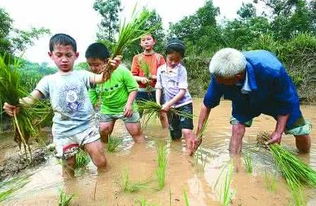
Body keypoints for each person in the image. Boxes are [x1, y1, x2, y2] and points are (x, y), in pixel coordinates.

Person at [3, 33, 120, 177]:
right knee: (69, 168)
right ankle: (70, 195)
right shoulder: (48, 80)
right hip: (63, 132)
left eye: (68, 55)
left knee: (101, 161)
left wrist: (111, 69)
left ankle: (108, 188)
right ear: (51, 55)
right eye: (59, 55)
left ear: (76, 55)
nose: (64, 59)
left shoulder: (82, 75)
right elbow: (31, 99)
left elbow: (102, 78)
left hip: (86, 127)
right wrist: (16, 104)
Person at [196, 48, 312, 155]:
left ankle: (304, 157)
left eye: (221, 81)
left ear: (238, 76)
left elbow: (286, 102)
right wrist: (198, 135)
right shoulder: (220, 75)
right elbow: (207, 105)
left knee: (300, 132)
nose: (217, 82)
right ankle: (235, 168)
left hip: (275, 98)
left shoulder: (273, 71)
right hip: (243, 98)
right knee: (236, 129)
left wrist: (278, 132)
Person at [85, 42, 145, 144]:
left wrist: (129, 104)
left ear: (107, 61)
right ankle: (107, 151)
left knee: (136, 132)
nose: (93, 68)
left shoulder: (121, 71)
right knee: (103, 131)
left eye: (97, 65)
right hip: (107, 108)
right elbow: (92, 98)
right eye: (90, 65)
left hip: (126, 107)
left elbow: (133, 88)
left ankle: (145, 156)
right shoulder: (93, 78)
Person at [155, 38, 199, 155]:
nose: (174, 62)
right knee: (175, 135)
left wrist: (168, 104)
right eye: (171, 59)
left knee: (186, 131)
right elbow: (158, 87)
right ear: (166, 56)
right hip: (171, 107)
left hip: (184, 104)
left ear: (181, 59)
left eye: (177, 59)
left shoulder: (181, 70)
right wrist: (157, 103)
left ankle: (190, 157)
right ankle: (177, 157)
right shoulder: (160, 70)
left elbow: (182, 91)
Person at [131, 34, 168, 128]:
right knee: (137, 115)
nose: (146, 42)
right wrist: (141, 79)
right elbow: (132, 76)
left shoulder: (159, 57)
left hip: (156, 91)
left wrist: (154, 77)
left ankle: (167, 134)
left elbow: (164, 75)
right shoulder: (137, 58)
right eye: (143, 40)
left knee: (162, 113)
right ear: (140, 43)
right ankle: (137, 134)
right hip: (141, 91)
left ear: (154, 41)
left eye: (148, 39)